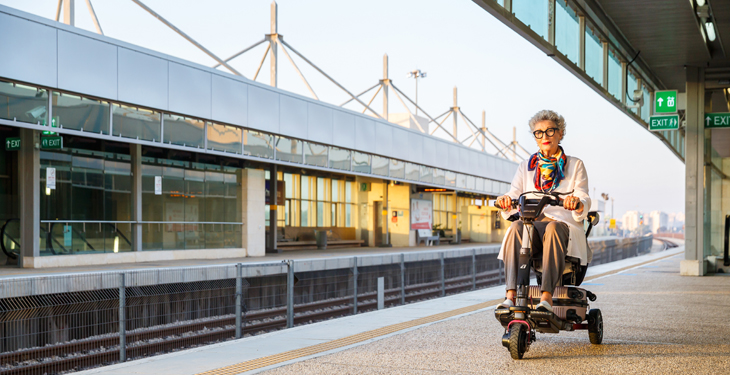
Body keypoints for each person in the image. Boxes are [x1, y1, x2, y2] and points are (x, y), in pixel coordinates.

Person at [495, 110, 591, 313]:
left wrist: (577, 202)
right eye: (538, 133)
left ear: (560, 133)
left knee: (554, 226)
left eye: (550, 131)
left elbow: (583, 195)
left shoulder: (575, 165)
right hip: (533, 226)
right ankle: (510, 296)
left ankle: (546, 298)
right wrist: (506, 201)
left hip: (563, 227)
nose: (544, 137)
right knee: (515, 227)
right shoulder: (526, 167)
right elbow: (514, 194)